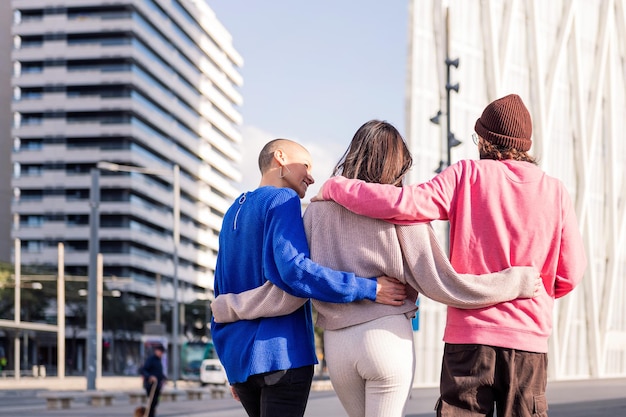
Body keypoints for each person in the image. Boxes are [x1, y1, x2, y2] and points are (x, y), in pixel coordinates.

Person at [211, 120, 541, 417]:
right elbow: (443, 283)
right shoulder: (401, 210)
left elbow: (290, 289)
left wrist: (229, 307)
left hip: (339, 349)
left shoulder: (314, 212)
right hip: (385, 339)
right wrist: (517, 281)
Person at [315, 95, 587, 417]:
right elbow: (571, 272)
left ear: (485, 140)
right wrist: (535, 299)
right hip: (528, 341)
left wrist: (338, 188)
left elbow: (403, 205)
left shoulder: (467, 175)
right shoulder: (555, 191)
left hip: (469, 338)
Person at [210, 138, 408, 417]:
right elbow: (296, 270)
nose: (312, 177)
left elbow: (220, 293)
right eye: (305, 165)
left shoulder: (234, 209)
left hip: (240, 363)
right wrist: (369, 288)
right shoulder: (282, 199)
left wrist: (231, 367)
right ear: (280, 158)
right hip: (281, 354)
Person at [140, 343, 166, 417]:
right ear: (156, 351)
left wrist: (163, 378)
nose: (161, 354)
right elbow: (143, 370)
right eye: (160, 352)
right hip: (151, 385)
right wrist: (150, 376)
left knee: (155, 402)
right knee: (152, 401)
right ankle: (149, 415)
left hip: (157, 386)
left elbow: (158, 372)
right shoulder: (151, 359)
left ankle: (151, 414)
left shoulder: (158, 361)